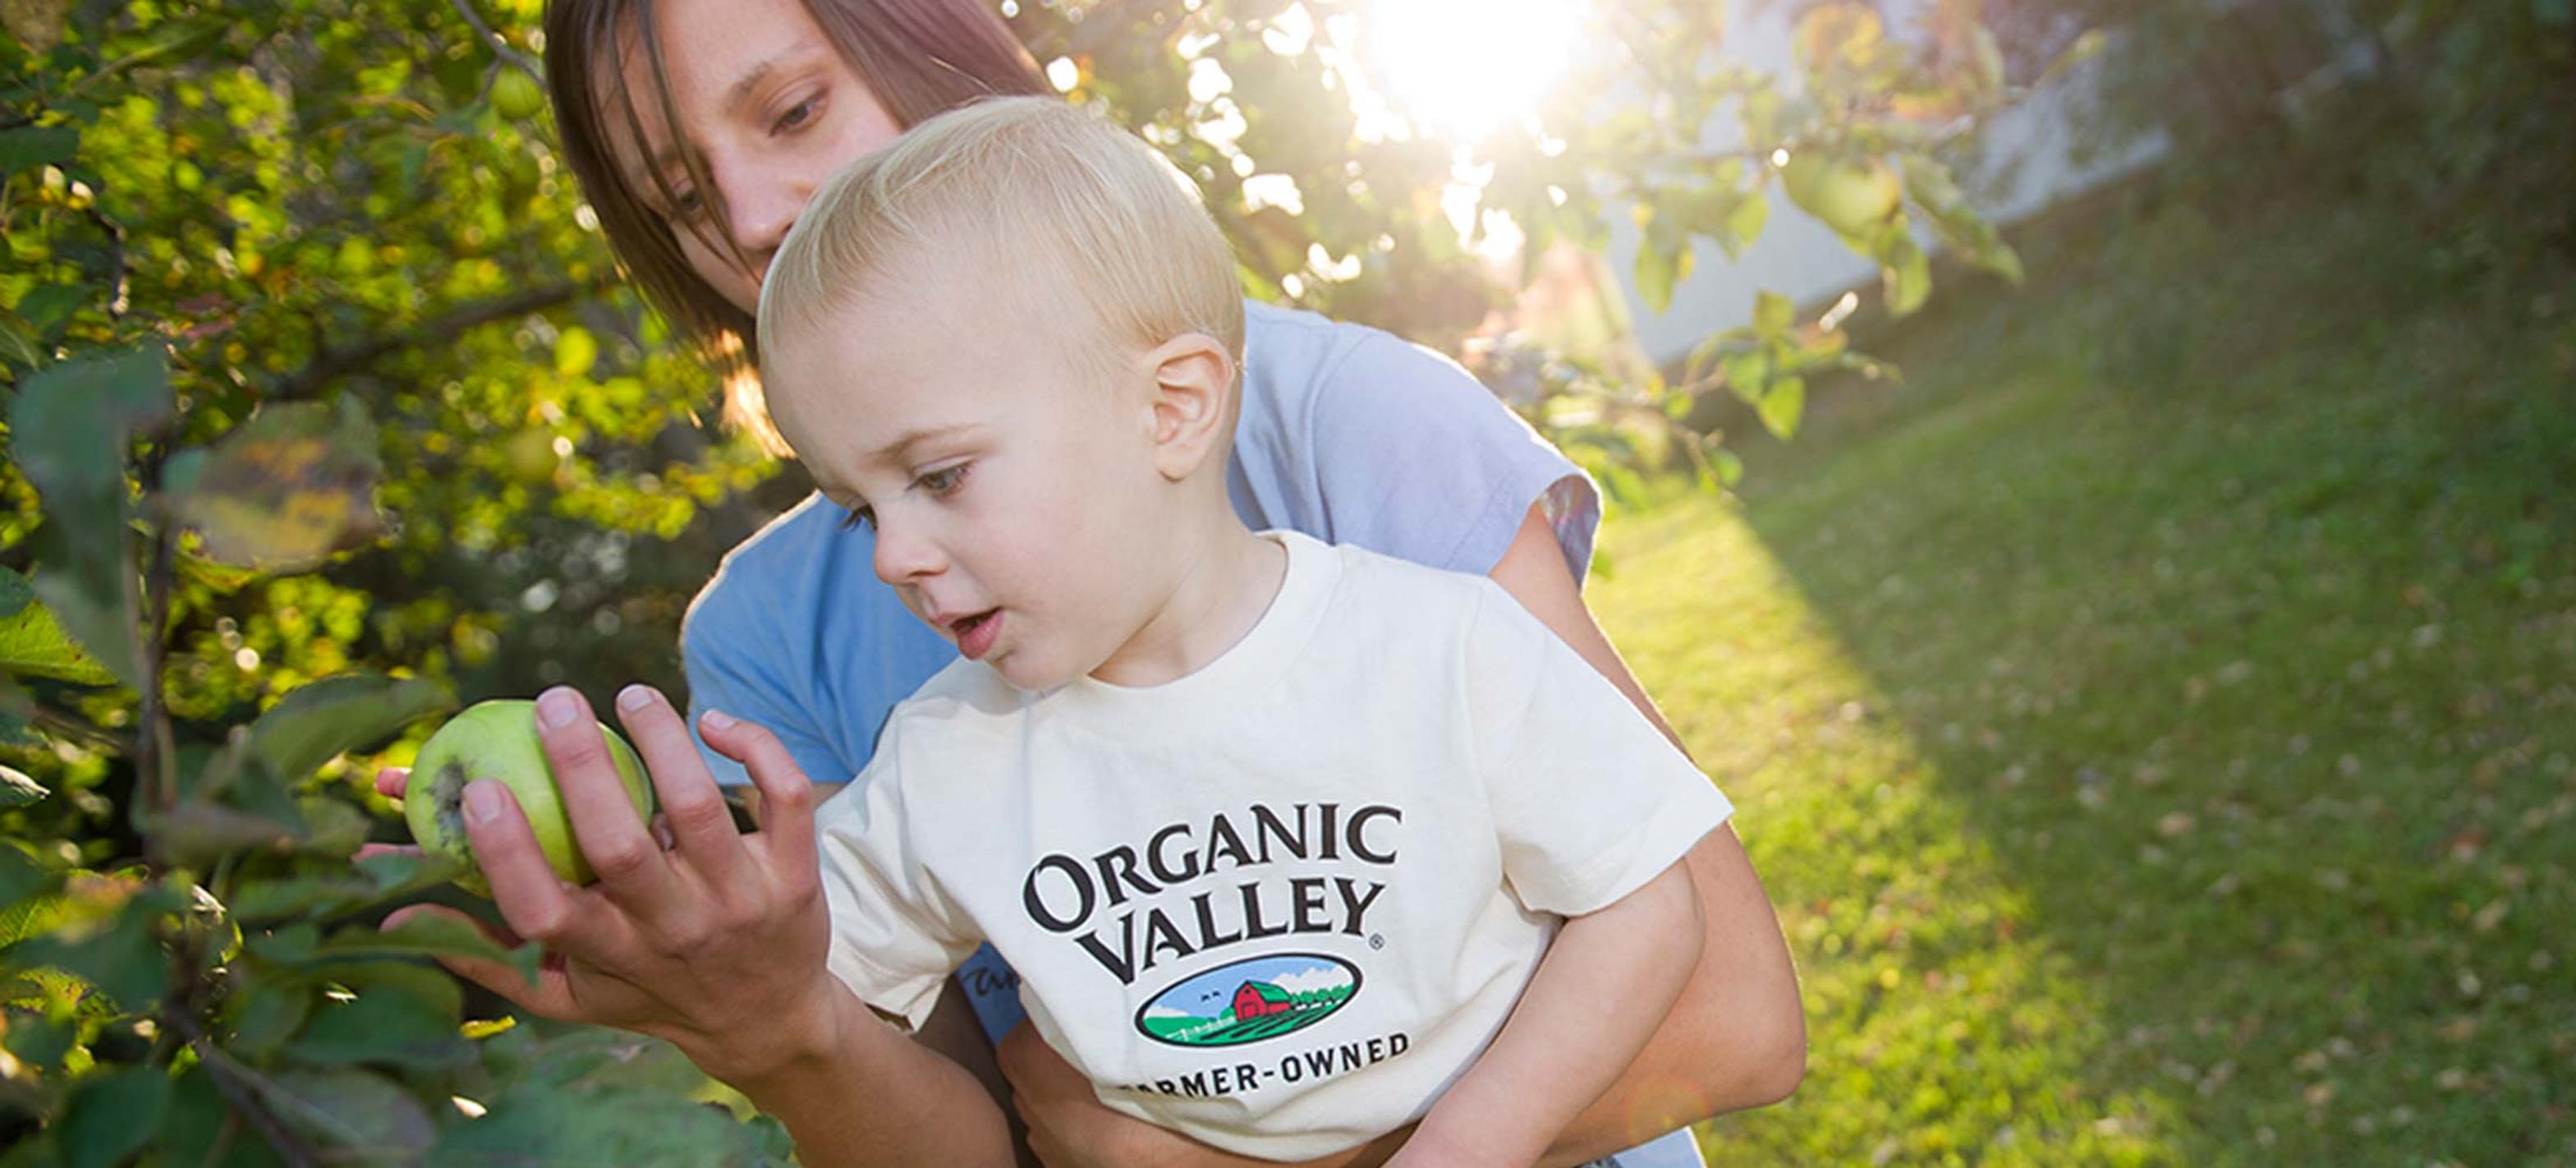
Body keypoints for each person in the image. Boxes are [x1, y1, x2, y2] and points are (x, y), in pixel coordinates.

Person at [379, 0, 1805, 1165]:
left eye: (794, 109)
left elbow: (1731, 1012)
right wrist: (734, 1014)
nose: (749, 219)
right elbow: (920, 1103)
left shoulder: (1357, 458)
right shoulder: (810, 661)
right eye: (677, 197)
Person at [760, 94, 1738, 1166]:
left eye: (938, 475)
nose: (893, 554)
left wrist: (1459, 1150)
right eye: (863, 507)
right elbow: (797, 977)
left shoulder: (1433, 649)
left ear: (1172, 408)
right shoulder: (944, 765)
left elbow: (1646, 902)